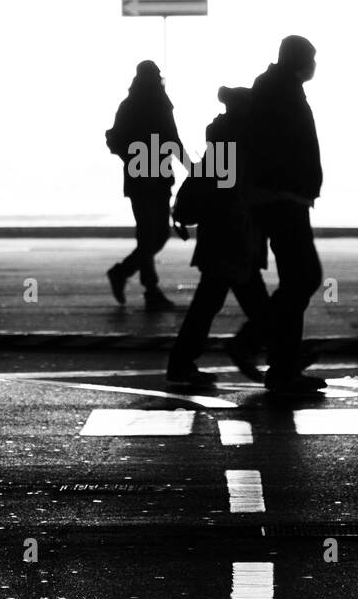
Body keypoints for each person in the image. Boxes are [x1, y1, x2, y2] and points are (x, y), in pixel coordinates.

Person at [166, 86, 270, 388]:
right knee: (247, 305)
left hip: (222, 241)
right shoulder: (235, 146)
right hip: (232, 241)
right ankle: (270, 355)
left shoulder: (221, 142)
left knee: (210, 304)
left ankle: (182, 363)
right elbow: (234, 200)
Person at [249, 34, 325, 395]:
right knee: (304, 278)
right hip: (283, 199)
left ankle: (283, 365)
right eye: (312, 58)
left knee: (298, 280)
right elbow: (285, 147)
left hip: (286, 197)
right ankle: (258, 346)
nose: (315, 64)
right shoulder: (282, 93)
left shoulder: (277, 88)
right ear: (300, 59)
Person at [105, 60, 185, 311]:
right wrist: (195, 170)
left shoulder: (128, 106)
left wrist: (133, 157)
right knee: (157, 234)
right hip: (158, 177)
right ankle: (146, 286)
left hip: (139, 178)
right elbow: (173, 139)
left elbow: (115, 139)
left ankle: (130, 276)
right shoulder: (161, 104)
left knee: (148, 234)